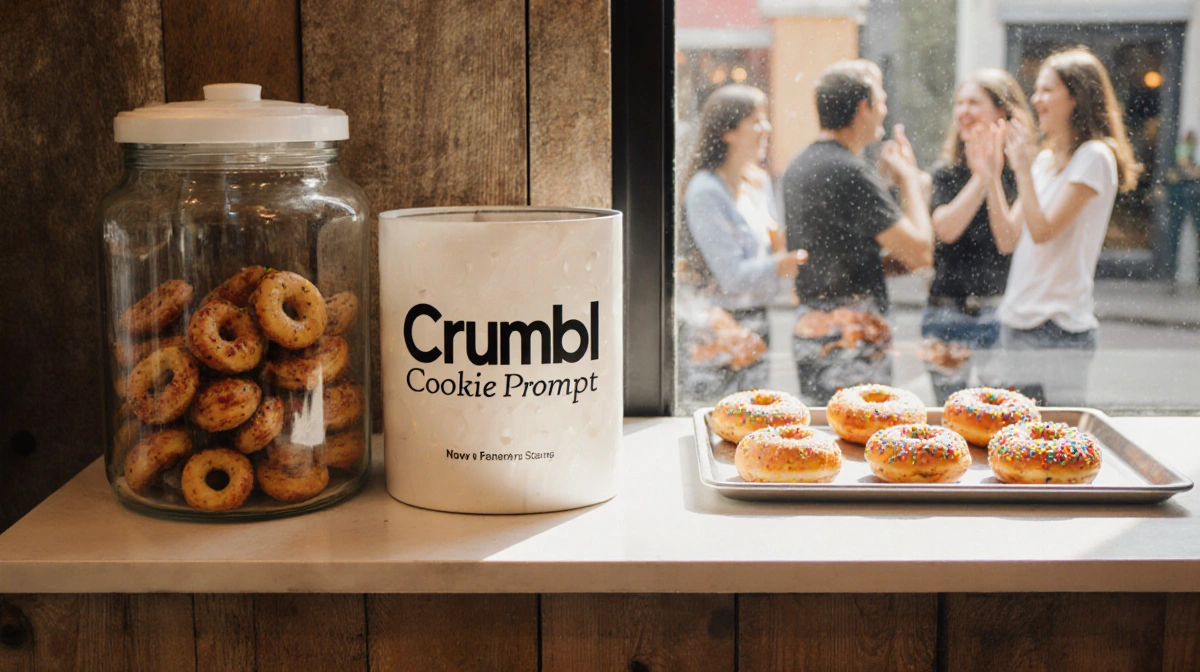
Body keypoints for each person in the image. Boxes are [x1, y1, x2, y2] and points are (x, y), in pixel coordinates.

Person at [984, 48, 1142, 406]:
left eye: (1046, 90)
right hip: (1016, 322)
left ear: (1076, 97)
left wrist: (1021, 167)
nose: (1035, 99)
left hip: (1060, 329)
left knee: (1056, 446)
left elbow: (1042, 232)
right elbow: (1008, 238)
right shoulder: (1043, 161)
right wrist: (991, 175)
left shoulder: (1095, 157)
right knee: (1015, 443)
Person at [782, 59, 934, 403]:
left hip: (813, 328)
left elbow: (833, 253)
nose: (884, 109)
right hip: (852, 337)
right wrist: (910, 179)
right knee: (861, 434)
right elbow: (920, 252)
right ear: (863, 108)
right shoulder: (850, 172)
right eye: (881, 100)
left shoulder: (799, 166)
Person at [677, 84, 807, 401]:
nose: (767, 128)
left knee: (753, 417)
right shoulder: (706, 191)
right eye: (756, 120)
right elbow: (732, 276)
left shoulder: (756, 183)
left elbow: (772, 248)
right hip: (717, 328)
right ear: (726, 131)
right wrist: (781, 265)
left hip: (757, 320)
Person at [920, 69, 1034, 403]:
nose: (963, 111)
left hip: (996, 315)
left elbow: (1007, 239)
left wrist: (994, 177)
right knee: (948, 416)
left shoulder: (1023, 171)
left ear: (1002, 111)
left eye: (974, 103)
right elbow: (945, 229)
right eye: (959, 103)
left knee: (993, 420)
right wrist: (980, 178)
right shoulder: (946, 170)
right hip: (945, 313)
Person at [1159, 128, 1200, 287]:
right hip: (1181, 196)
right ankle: (1170, 273)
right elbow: (1179, 170)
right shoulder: (1178, 149)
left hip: (1192, 196)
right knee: (1174, 233)